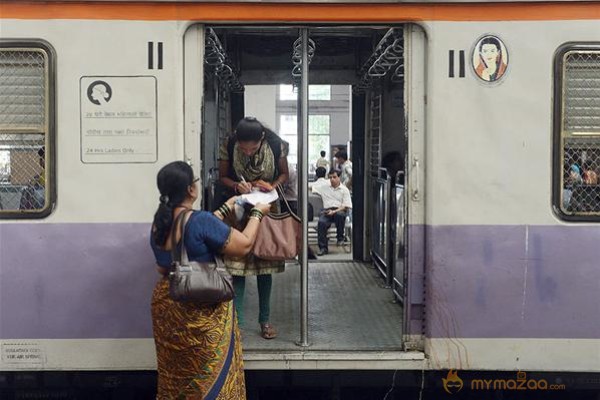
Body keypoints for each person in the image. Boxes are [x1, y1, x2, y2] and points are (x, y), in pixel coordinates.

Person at [150, 161, 271, 399]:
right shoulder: (200, 220)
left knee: (177, 379)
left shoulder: (159, 224)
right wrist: (258, 212)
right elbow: (244, 245)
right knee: (208, 379)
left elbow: (163, 265)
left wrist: (225, 209)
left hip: (168, 309)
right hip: (201, 310)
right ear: (190, 190)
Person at [218, 116, 289, 339]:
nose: (248, 152)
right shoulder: (228, 144)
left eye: (253, 148)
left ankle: (265, 321)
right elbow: (222, 177)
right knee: (237, 266)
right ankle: (235, 323)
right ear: (237, 141)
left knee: (264, 266)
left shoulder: (277, 145)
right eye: (243, 148)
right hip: (238, 210)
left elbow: (284, 174)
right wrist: (237, 185)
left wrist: (272, 185)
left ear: (262, 138)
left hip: (266, 209)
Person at [314, 170, 353, 256]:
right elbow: (312, 187)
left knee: (339, 215)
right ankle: (323, 248)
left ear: (339, 178)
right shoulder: (324, 188)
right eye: (330, 177)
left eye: (334, 177)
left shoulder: (344, 190)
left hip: (340, 210)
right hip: (327, 211)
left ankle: (340, 238)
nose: (332, 179)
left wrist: (334, 211)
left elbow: (346, 206)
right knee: (321, 222)